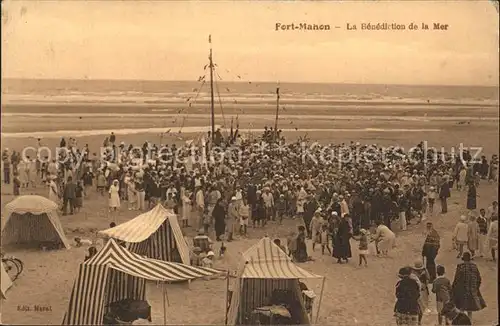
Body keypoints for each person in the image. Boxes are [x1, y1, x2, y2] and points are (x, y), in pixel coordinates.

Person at [451, 252, 486, 320]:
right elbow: (479, 279)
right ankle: (469, 322)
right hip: (472, 291)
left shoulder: (460, 266)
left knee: (461, 308)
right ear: (469, 259)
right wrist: (475, 288)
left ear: (463, 259)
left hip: (462, 290)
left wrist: (453, 290)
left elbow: (456, 279)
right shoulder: (474, 266)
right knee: (470, 309)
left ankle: (462, 322)